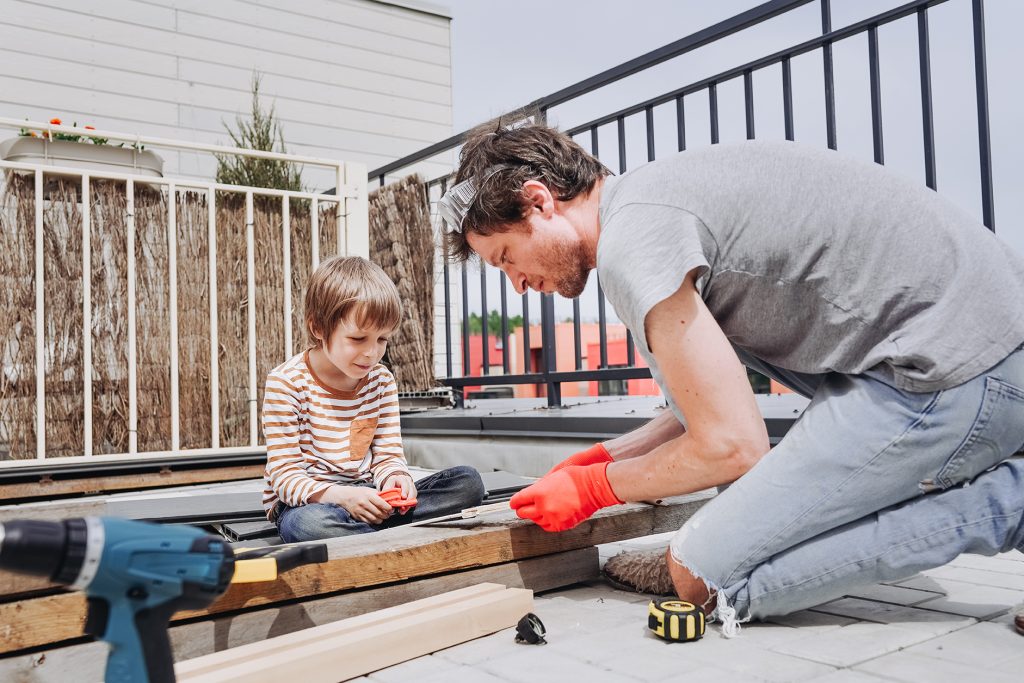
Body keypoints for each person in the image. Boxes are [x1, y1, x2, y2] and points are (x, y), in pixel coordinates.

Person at [438, 122, 1024, 635]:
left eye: (506, 257)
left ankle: (1010, 505)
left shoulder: (633, 242)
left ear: (539, 202)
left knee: (705, 577)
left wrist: (600, 488)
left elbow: (732, 445)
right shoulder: (652, 199)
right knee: (727, 529)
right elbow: (703, 403)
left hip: (952, 371)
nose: (515, 283)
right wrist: (602, 457)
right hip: (967, 352)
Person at [262, 256, 485, 542]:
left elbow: (388, 456)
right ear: (318, 328)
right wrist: (343, 497)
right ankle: (391, 536)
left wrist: (397, 479)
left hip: (371, 497)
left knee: (468, 483)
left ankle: (365, 537)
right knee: (307, 526)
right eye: (357, 339)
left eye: (382, 340)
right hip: (310, 503)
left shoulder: (381, 381)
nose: (371, 353)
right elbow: (284, 478)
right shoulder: (286, 382)